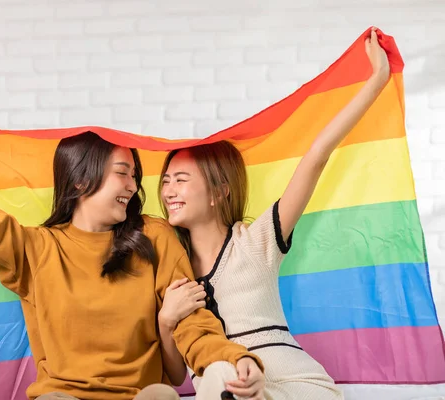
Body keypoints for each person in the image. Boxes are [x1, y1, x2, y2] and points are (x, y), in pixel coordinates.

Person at [0, 71, 267, 400]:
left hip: (143, 396)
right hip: (62, 397)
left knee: (160, 396)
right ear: (80, 182)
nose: (132, 184)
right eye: (122, 171)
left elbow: (192, 322)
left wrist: (232, 358)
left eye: (133, 173)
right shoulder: (35, 250)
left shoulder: (153, 236)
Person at [157, 27, 390, 399]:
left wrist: (376, 80)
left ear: (219, 191)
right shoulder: (171, 269)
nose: (168, 190)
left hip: (295, 387)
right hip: (224, 388)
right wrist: (166, 319)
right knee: (217, 372)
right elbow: (173, 376)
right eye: (166, 180)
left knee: (222, 374)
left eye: (181, 179)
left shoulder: (257, 241)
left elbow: (316, 158)